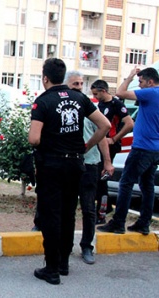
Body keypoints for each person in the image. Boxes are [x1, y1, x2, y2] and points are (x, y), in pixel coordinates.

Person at [28, 58, 110, 285]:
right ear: (63, 76)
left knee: (50, 214)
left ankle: (51, 268)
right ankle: (63, 263)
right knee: (68, 213)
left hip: (51, 165)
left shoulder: (42, 102)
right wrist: (86, 146)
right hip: (75, 164)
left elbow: (34, 138)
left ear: (45, 78)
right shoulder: (80, 98)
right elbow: (105, 126)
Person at [98, 67, 159, 236]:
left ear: (150, 82)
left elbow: (120, 92)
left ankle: (118, 223)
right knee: (147, 186)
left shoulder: (152, 92)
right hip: (155, 149)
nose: (139, 86)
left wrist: (131, 76)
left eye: (140, 82)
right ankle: (144, 223)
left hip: (142, 148)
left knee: (126, 183)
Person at [65, 70, 114, 265]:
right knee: (67, 208)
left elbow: (102, 136)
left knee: (88, 209)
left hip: (89, 165)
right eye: (74, 84)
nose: (78, 87)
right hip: (68, 165)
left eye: (80, 84)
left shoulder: (91, 110)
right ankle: (65, 246)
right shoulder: (64, 109)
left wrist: (107, 161)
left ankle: (87, 246)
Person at [90, 79, 134, 222]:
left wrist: (114, 139)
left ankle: (102, 212)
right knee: (97, 178)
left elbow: (129, 123)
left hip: (110, 145)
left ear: (103, 90)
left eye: (96, 94)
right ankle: (104, 206)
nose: (95, 97)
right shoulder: (101, 104)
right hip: (100, 143)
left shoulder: (116, 104)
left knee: (101, 178)